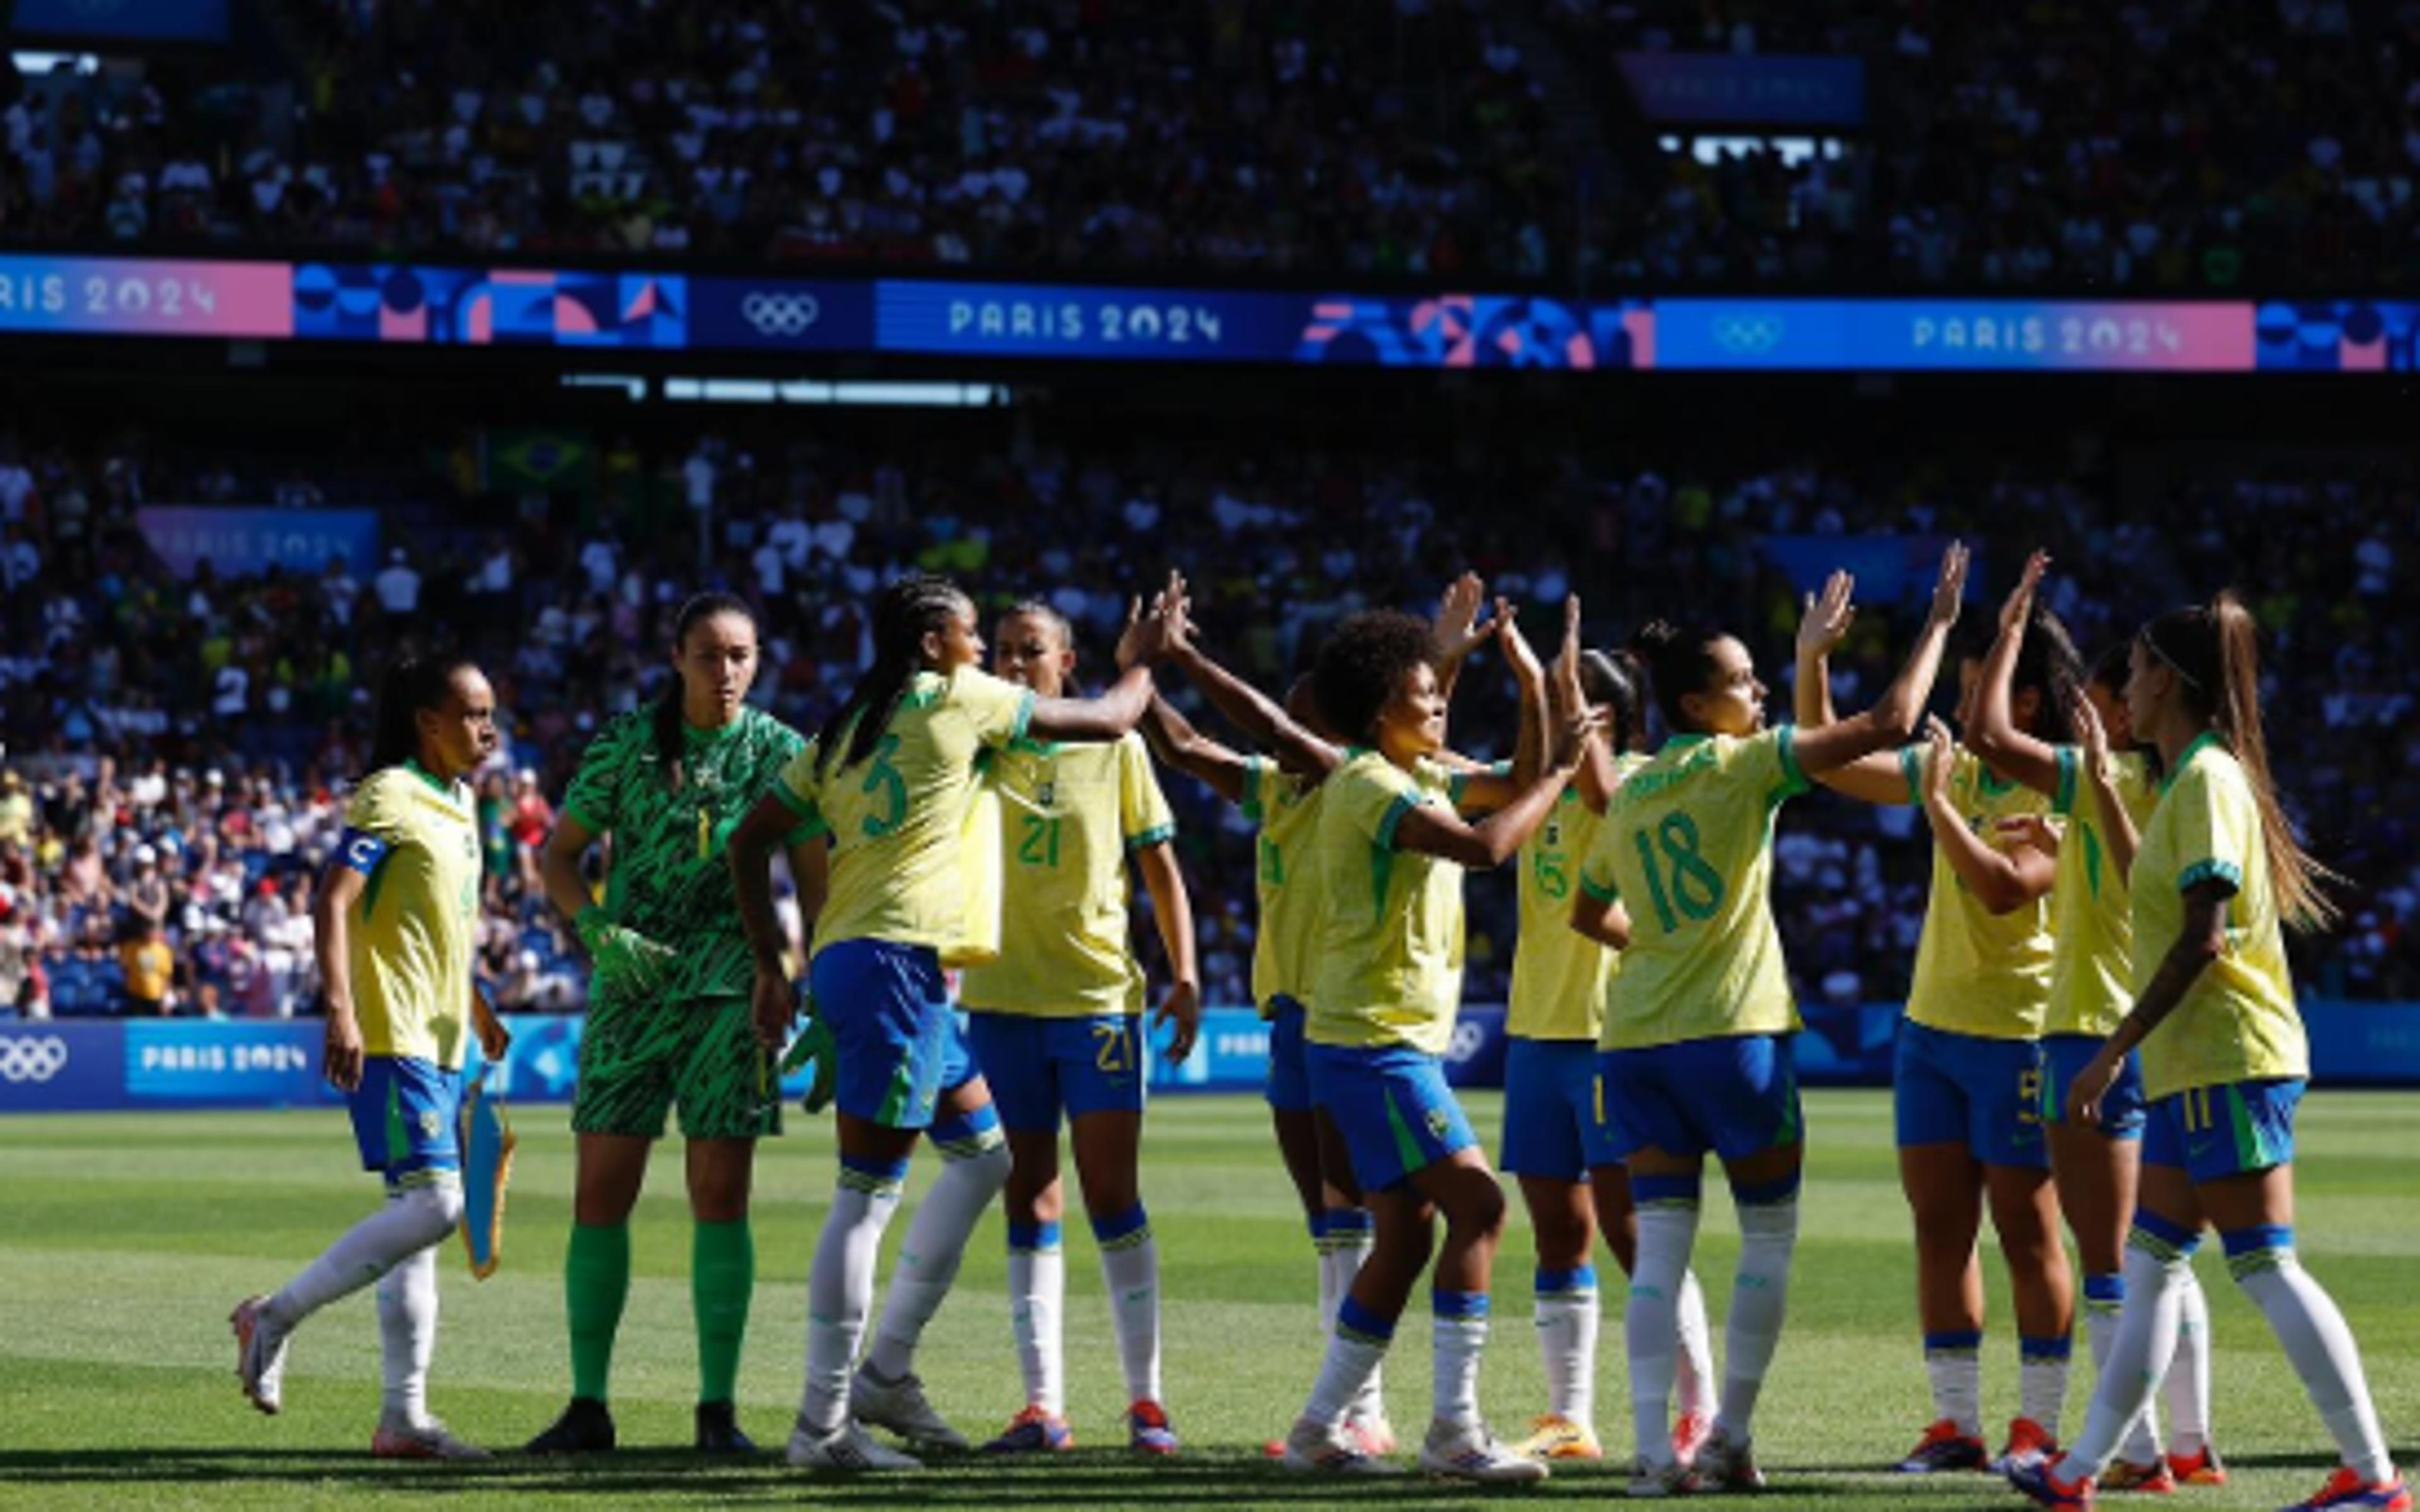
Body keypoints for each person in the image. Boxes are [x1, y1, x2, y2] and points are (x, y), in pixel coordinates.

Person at [727, 571, 1185, 1473]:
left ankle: (888, 1369)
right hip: (896, 963)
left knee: (989, 1158)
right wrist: (1141, 662)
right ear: (934, 643)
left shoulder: (847, 728)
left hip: (880, 965)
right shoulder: (962, 698)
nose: (986, 650)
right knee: (866, 1195)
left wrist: (774, 964)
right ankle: (823, 1427)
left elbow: (753, 839)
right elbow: (1110, 719)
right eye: (974, 633)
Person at [2012, 596, 2407, 1512]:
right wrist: (2105, 790)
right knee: (2150, 1266)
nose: (2125, 689)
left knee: (2265, 1264)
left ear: (2174, 683)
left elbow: (2203, 940)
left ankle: (2373, 1475)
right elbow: (2146, 877)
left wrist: (2111, 1051)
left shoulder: (2207, 780)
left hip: (2228, 1056)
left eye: (2140, 671)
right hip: (2196, 1069)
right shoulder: (2189, 778)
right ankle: (2076, 1477)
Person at [1575, 557, 1958, 1495]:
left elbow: (1590, 914)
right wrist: (1937, 623)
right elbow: (1889, 727)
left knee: (1659, 1249)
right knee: (1768, 1236)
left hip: (1635, 1043)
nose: (1757, 696)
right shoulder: (1745, 766)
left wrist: (1664, 944)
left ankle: (1650, 1456)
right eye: (1743, 682)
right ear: (1701, 706)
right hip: (1733, 1037)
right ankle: (1729, 1438)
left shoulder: (1627, 795)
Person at [1276, 601, 1577, 1484]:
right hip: (1376, 1045)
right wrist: (1559, 773)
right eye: (1421, 694)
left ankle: (1316, 1431)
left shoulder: (1417, 773)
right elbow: (1488, 847)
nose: (1440, 704)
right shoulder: (1374, 787)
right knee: (1482, 1207)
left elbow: (1514, 777)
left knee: (1406, 1240)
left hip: (1368, 1040)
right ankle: (1454, 1433)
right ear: (1377, 712)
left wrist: (1528, 683)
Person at [1797, 544, 2080, 1472]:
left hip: (2018, 1035)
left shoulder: (2064, 785)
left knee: (2028, 1232)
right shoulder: (1950, 763)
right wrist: (1813, 661)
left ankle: (2035, 1425)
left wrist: (1938, 802)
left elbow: (2005, 889)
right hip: (1930, 1033)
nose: (1961, 707)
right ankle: (1955, 1424)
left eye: (1974, 688)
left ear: (2024, 702)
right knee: (1938, 1227)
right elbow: (1831, 762)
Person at [524, 593, 819, 1456]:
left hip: (735, 994)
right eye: (708, 655)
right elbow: (558, 856)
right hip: (631, 992)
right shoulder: (624, 744)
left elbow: (816, 885)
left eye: (740, 656)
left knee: (720, 1199)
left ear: (757, 661)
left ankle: (717, 1412)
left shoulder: (783, 755)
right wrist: (597, 930)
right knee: (598, 1197)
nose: (725, 672)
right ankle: (587, 1407)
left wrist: (802, 979)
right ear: (675, 657)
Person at [1964, 554, 2221, 1491]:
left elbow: (1987, 734)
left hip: (2088, 1030)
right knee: (2167, 1253)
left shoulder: (2097, 777)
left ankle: (2137, 1452)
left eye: (2114, 696)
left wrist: (2006, 635)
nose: (2108, 709)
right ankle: (2189, 1443)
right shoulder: (2181, 786)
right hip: (2165, 1034)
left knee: (2112, 1262)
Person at [230, 653, 511, 1458]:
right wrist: (341, 1009)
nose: (487, 728)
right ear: (428, 722)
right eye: (471, 713)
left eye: (491, 712)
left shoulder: (459, 801)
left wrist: (481, 1008)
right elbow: (334, 898)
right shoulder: (390, 793)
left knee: (413, 1224)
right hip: (394, 1034)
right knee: (437, 1209)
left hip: (445, 1036)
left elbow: (445, 927)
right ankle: (273, 1315)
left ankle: (403, 1420)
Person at [959, 601, 1201, 1455]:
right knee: (1029, 1193)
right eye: (1006, 654)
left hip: (1098, 1002)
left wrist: (1186, 974)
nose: (1018, 666)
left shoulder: (1118, 746)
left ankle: (1147, 1402)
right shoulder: (977, 748)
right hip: (999, 1002)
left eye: (1035, 652)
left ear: (1067, 662)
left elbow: (1160, 868)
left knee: (1111, 1195)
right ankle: (1042, 1406)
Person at [1501, 607, 1714, 1464]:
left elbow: (1601, 795)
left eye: (1576, 703)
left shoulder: (1631, 777)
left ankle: (1698, 1405)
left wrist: (1573, 716)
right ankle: (1571, 1416)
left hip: (1604, 1035)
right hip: (1534, 1032)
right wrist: (1528, 677)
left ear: (1616, 718)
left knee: (1633, 1230)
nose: (1560, 715)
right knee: (1558, 1230)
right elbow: (1530, 771)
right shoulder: (1539, 781)